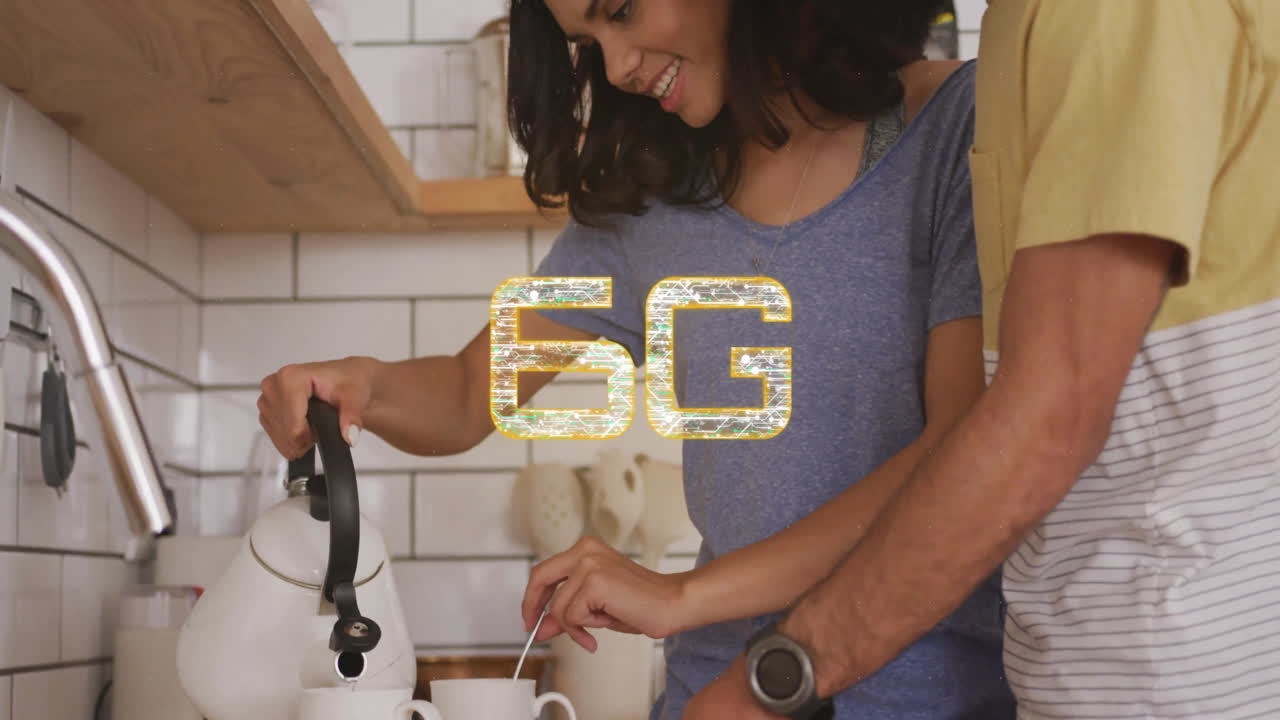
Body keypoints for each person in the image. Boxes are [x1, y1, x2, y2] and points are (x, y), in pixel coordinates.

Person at [257, 0, 1015, 718]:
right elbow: (463, 395)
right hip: (710, 695)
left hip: (930, 693)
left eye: (619, 10)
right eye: (587, 42)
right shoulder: (653, 207)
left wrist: (682, 595)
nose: (616, 67)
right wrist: (362, 383)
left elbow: (953, 452)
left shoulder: (956, 130)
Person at [680, 1, 1280, 718]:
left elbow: (1050, 415)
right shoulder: (1024, 24)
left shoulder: (1110, 12)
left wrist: (782, 677)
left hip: (1177, 675)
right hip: (1094, 668)